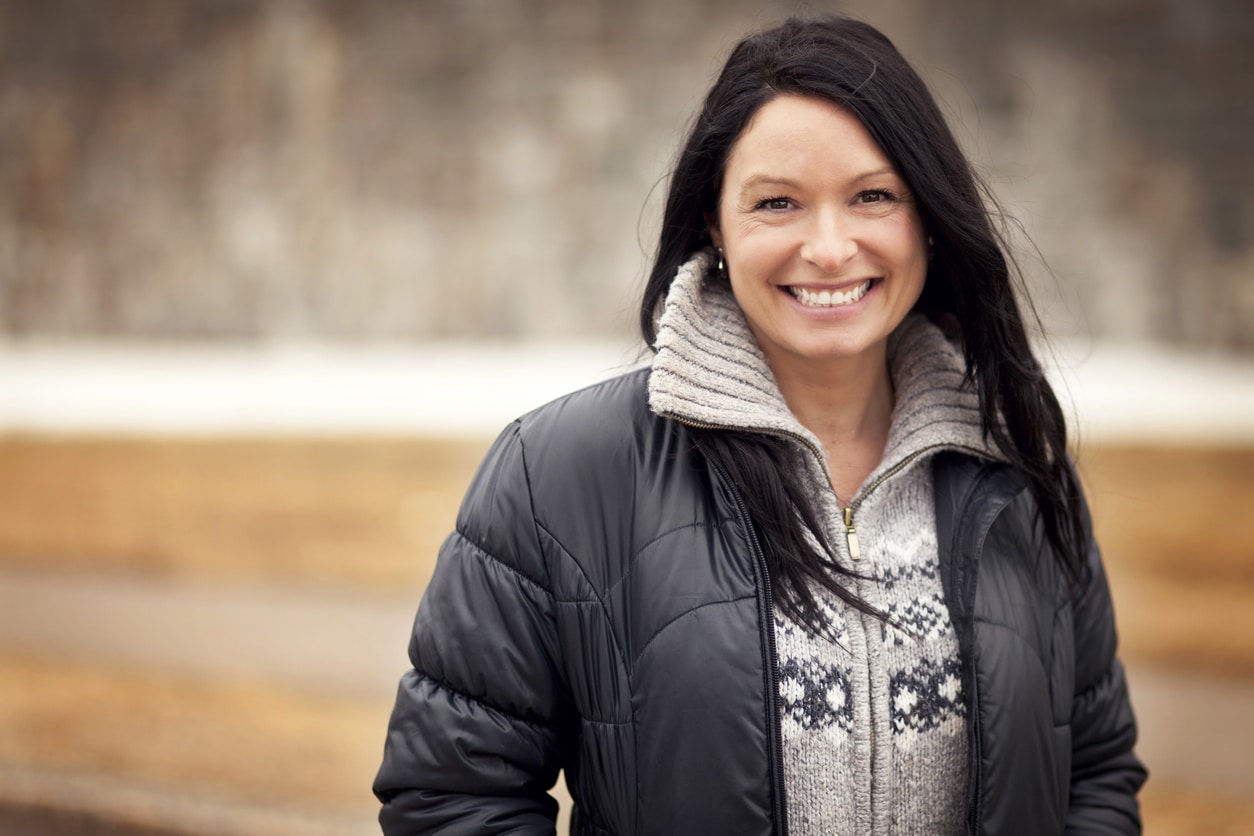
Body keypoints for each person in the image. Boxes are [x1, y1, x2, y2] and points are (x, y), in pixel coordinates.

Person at [373, 15, 1146, 835]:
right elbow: (454, 799)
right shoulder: (558, 473)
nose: (828, 246)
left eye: (872, 195)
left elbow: (1092, 773)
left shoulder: (1019, 466)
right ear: (715, 222)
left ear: (927, 212)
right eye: (777, 202)